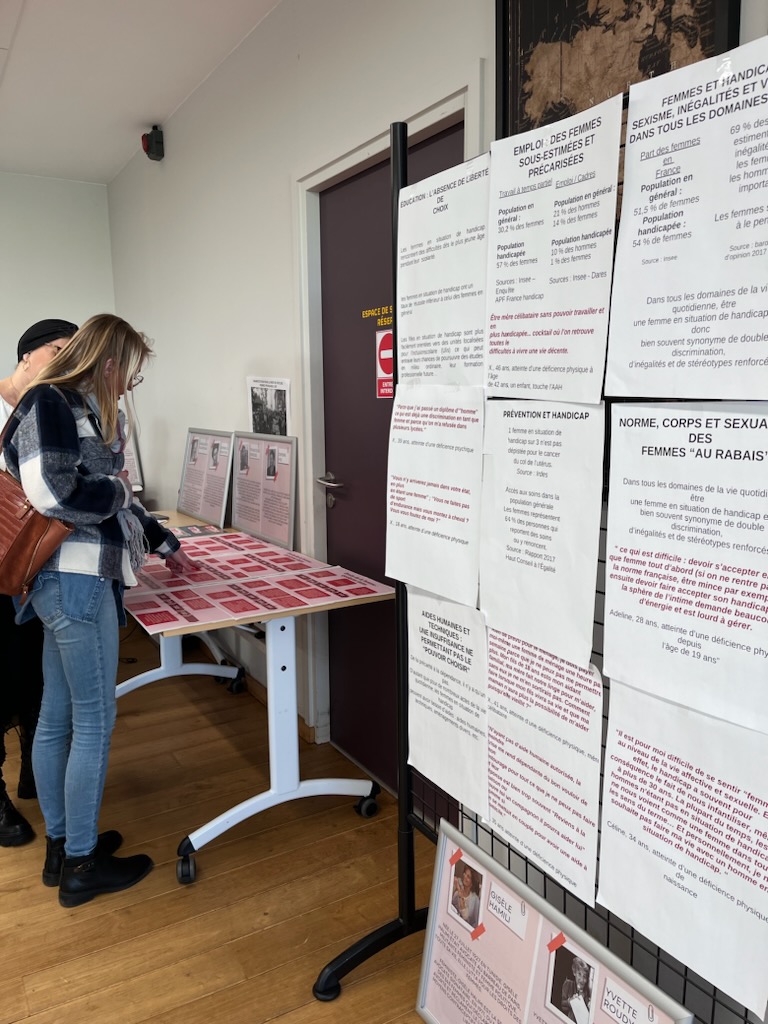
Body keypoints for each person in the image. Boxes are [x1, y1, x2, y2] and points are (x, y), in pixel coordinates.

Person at [3, 313, 196, 906]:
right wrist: (119, 489)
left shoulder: (76, 407)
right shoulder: (52, 402)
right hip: (77, 583)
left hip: (71, 584)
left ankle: (64, 847)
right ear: (107, 360)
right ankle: (82, 865)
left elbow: (106, 498)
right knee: (93, 721)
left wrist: (161, 540)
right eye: (129, 371)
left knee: (59, 716)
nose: (130, 384)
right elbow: (55, 493)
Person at [0, 319, 78, 847]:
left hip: (30, 564)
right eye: (57, 351)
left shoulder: (49, 410)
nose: (65, 364)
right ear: (28, 355)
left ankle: (32, 764)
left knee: (32, 666)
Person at [561, 956, 592, 1024]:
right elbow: (562, 1005)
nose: (582, 979)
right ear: (574, 972)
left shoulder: (586, 992)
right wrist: (570, 1002)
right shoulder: (568, 985)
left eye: (584, 976)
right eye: (579, 974)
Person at [451, 863, 480, 928]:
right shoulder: (457, 893)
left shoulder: (475, 900)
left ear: (472, 883)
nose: (465, 876)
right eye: (465, 873)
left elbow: (475, 922)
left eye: (468, 877)